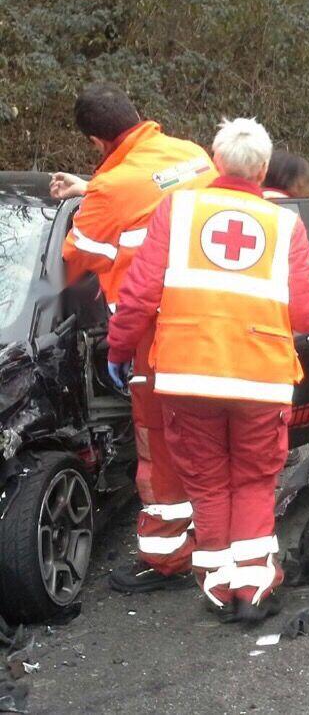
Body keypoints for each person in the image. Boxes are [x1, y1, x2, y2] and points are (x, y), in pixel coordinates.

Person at [107, 118, 309, 623]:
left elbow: (138, 294)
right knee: (252, 480)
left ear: (214, 158)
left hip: (188, 375)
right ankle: (252, 586)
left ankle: (218, 584)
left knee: (206, 482)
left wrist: (118, 350)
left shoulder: (177, 210)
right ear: (264, 168)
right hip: (260, 379)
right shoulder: (284, 225)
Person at [53, 83, 217, 594]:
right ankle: (218, 542)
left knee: (161, 448)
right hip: (214, 320)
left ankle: (167, 560)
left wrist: (95, 193)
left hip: (154, 333)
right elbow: (149, 190)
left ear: (96, 142)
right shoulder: (191, 155)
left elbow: (73, 260)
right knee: (211, 441)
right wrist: (94, 187)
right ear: (138, 115)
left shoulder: (111, 188)